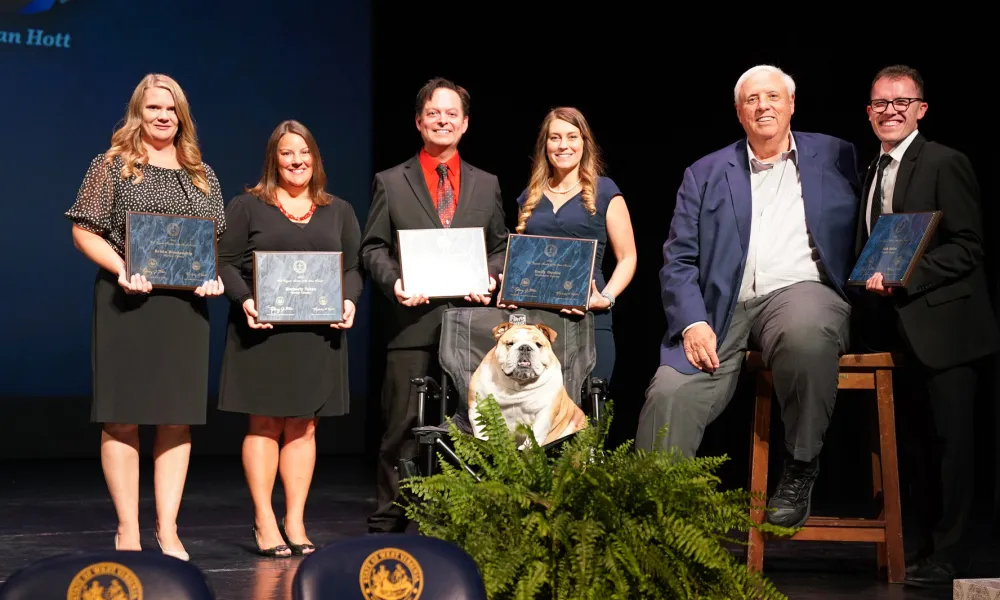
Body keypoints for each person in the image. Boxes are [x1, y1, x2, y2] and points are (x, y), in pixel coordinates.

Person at [634, 65, 861, 529]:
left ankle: (800, 467)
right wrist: (692, 321)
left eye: (773, 97)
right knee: (670, 391)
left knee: (805, 333)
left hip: (801, 290)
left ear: (791, 104)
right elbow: (677, 260)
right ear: (739, 112)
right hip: (722, 306)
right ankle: (650, 518)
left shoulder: (839, 156)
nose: (764, 106)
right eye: (753, 100)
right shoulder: (705, 173)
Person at [64, 73, 227, 560]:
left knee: (177, 419)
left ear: (182, 116)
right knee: (122, 418)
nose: (162, 116)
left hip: (183, 309)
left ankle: (169, 530)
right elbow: (84, 230)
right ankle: (128, 530)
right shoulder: (112, 165)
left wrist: (211, 276)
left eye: (171, 109)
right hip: (127, 303)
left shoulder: (202, 174)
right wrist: (121, 267)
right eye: (153, 107)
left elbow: (209, 243)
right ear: (138, 112)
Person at [855, 65, 999, 587]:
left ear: (921, 109)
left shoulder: (945, 162)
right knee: (914, 446)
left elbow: (968, 248)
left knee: (951, 446)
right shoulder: (870, 171)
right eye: (879, 103)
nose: (889, 111)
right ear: (868, 111)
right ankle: (923, 546)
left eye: (901, 102)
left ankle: (951, 553)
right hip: (894, 331)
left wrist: (905, 276)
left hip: (946, 330)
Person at [360, 77, 509, 534]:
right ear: (419, 121)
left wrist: (491, 274)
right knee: (402, 426)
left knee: (470, 427)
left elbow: (501, 246)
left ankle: (460, 519)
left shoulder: (487, 184)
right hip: (412, 322)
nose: (442, 120)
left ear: (464, 124)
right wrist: (396, 281)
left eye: (451, 114)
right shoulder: (391, 180)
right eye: (433, 113)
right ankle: (389, 519)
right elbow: (372, 248)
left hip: (471, 328)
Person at [216, 120, 364, 556]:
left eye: (304, 153)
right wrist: (245, 300)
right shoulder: (247, 206)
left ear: (315, 158)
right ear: (273, 159)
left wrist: (349, 300)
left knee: (303, 426)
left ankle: (295, 522)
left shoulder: (338, 209)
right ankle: (264, 520)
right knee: (263, 423)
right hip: (262, 333)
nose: (296, 161)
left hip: (317, 335)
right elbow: (223, 263)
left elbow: (353, 268)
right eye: (286, 153)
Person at [498, 107, 636, 386]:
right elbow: (522, 260)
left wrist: (606, 297)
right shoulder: (529, 198)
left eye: (572, 137)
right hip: (535, 326)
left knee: (588, 413)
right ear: (545, 145)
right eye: (555, 138)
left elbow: (628, 257)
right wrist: (510, 288)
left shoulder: (605, 191)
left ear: (584, 142)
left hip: (588, 316)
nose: (563, 145)